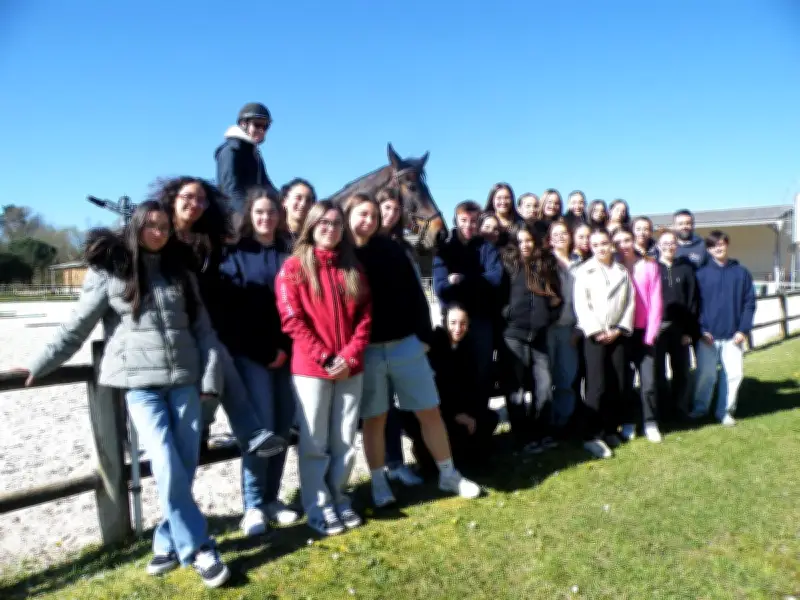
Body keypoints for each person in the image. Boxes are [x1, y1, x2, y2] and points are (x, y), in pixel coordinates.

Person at [18, 203, 231, 588]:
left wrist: (210, 377)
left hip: (185, 381)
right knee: (165, 462)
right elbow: (76, 326)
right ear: (136, 227)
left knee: (183, 466)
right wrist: (40, 363)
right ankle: (200, 547)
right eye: (151, 225)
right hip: (141, 386)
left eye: (164, 227)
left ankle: (165, 542)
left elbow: (203, 330)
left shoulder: (180, 271)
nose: (159, 233)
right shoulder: (110, 272)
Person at [346, 194, 481, 505]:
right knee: (375, 418)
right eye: (362, 214)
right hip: (367, 349)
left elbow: (415, 292)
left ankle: (448, 474)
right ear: (349, 215)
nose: (369, 220)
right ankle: (379, 482)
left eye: (372, 215)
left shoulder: (392, 248)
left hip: (405, 344)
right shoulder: (343, 253)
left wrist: (423, 337)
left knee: (428, 410)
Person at [160, 176, 286, 458]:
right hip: (170, 324)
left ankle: (233, 431)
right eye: (188, 197)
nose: (195, 204)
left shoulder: (206, 242)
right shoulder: (159, 233)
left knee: (217, 364)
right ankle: (247, 431)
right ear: (173, 198)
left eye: (201, 199)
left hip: (203, 323)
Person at [276, 200, 372, 536]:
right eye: (324, 223)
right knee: (315, 441)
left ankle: (338, 495)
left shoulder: (352, 268)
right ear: (312, 226)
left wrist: (349, 356)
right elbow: (292, 320)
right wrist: (326, 358)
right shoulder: (293, 268)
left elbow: (365, 317)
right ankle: (317, 504)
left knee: (345, 438)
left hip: (350, 368)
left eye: (336, 223)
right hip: (311, 370)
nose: (330, 229)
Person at [217, 188, 300, 537]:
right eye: (260, 212)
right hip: (252, 355)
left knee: (282, 426)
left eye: (271, 212)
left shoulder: (288, 253)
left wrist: (285, 348)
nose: (266, 218)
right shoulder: (236, 254)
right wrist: (265, 351)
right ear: (251, 216)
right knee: (261, 429)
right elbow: (231, 313)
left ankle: (271, 498)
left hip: (288, 352)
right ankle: (252, 504)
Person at [374, 187, 425, 488]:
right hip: (373, 339)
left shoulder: (403, 246)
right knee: (379, 407)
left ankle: (402, 460)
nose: (391, 215)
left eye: (396, 210)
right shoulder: (361, 245)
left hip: (403, 335)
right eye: (386, 208)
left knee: (406, 401)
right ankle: (383, 468)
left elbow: (416, 290)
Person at [432, 201, 503, 410]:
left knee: (482, 371)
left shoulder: (487, 248)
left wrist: (462, 280)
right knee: (451, 372)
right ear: (456, 220)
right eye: (464, 220)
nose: (468, 225)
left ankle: (480, 419)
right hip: (453, 322)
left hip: (481, 319)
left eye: (473, 221)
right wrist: (479, 282)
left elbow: (495, 279)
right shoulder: (445, 249)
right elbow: (441, 287)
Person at [573, 228, 635, 459]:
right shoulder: (584, 271)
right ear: (591, 247)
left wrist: (619, 329)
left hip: (617, 335)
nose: (601, 248)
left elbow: (630, 302)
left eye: (604, 244)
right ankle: (591, 435)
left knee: (616, 382)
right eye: (596, 244)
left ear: (611, 245)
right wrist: (597, 330)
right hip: (595, 336)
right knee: (596, 386)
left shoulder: (621, 271)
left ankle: (610, 429)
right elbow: (582, 304)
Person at [500, 223, 562, 452]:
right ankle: (522, 437)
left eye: (528, 240)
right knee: (515, 388)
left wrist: (549, 316)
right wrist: (506, 315)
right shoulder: (508, 265)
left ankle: (542, 431)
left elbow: (556, 296)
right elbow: (498, 296)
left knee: (544, 384)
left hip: (539, 334)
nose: (525, 245)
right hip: (513, 334)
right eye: (520, 241)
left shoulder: (544, 265)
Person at [690, 230, 756, 426]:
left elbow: (749, 303)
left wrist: (743, 330)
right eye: (713, 246)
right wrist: (701, 330)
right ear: (708, 250)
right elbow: (694, 306)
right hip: (707, 336)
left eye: (720, 244)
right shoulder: (700, 274)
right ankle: (700, 408)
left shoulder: (741, 273)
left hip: (733, 336)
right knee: (706, 375)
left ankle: (725, 411)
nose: (717, 248)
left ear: (727, 244)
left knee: (733, 375)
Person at [424, 303, 500, 469]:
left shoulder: (467, 346)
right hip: (440, 410)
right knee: (456, 429)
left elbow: (471, 385)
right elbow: (438, 388)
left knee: (488, 418)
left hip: (462, 406)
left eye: (462, 323)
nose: (458, 328)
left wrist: (470, 412)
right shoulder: (435, 347)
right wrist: (456, 414)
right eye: (453, 323)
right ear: (445, 322)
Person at [613, 226, 663, 443]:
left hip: (644, 333)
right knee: (625, 381)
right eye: (618, 242)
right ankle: (628, 421)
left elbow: (656, 301)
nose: (623, 245)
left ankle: (650, 422)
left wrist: (651, 333)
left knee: (648, 382)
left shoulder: (650, 266)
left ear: (633, 240)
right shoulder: (614, 267)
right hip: (622, 332)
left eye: (626, 240)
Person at [655, 230, 699, 421]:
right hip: (658, 328)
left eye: (672, 243)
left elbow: (692, 301)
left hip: (681, 329)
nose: (669, 246)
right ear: (658, 246)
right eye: (665, 243)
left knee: (681, 371)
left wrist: (689, 331)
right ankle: (662, 411)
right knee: (658, 372)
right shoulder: (653, 268)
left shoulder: (686, 269)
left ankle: (680, 410)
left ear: (677, 245)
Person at [214, 102, 278, 220]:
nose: (261, 130)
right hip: (235, 217)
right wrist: (248, 217)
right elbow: (230, 190)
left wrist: (285, 200)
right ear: (243, 124)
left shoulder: (254, 154)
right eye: (257, 125)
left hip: (254, 214)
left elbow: (267, 186)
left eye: (265, 127)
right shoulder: (231, 150)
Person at [548, 220, 580, 435]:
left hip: (570, 328)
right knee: (545, 379)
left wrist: (580, 327)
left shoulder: (580, 264)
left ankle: (563, 423)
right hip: (548, 328)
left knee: (566, 378)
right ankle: (546, 422)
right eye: (556, 234)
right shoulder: (545, 262)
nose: (560, 237)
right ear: (550, 239)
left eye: (564, 233)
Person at [280, 178, 317, 247]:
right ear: (285, 201)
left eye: (308, 200)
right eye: (298, 198)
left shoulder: (315, 241)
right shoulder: (273, 237)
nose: (303, 204)